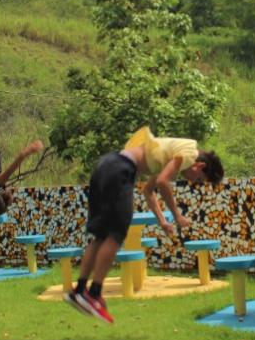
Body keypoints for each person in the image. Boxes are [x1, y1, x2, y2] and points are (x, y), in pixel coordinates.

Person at [65, 126, 224, 323]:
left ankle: (79, 290)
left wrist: (163, 221)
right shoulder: (190, 153)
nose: (193, 182)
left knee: (101, 236)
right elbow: (164, 183)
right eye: (199, 179)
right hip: (120, 169)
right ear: (199, 166)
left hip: (106, 165)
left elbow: (149, 191)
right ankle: (94, 293)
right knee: (115, 235)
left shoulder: (172, 154)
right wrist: (177, 215)